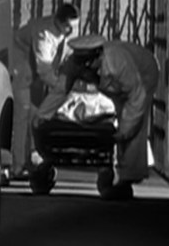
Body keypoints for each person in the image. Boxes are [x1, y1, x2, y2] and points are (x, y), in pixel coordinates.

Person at [63, 35, 160, 200]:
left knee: (133, 125)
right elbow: (61, 90)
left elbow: (136, 98)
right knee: (122, 113)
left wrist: (124, 131)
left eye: (90, 64)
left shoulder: (118, 61)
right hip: (117, 84)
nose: (86, 68)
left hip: (143, 75)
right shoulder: (74, 64)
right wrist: (45, 114)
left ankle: (129, 175)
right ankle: (122, 168)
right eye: (83, 65)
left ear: (99, 56)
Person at [8, 3, 81, 179]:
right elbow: (44, 70)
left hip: (35, 69)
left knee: (36, 114)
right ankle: (17, 167)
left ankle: (34, 158)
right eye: (69, 27)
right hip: (21, 66)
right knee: (22, 115)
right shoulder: (44, 34)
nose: (72, 31)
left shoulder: (66, 29)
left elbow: (69, 53)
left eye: (75, 27)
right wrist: (64, 87)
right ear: (58, 22)